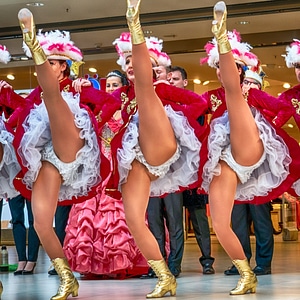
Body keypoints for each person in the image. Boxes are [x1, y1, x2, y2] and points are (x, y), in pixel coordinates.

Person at [196, 1, 300, 295]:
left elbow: (281, 109)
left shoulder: (247, 93)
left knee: (234, 95)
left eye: (225, 65)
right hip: (225, 159)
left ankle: (222, 36)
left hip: (252, 147)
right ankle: (246, 273)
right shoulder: (213, 98)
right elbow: (192, 110)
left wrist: (269, 124)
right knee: (220, 222)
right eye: (217, 65)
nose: (220, 70)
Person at [15, 8, 118, 299]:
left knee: (55, 97)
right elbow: (17, 118)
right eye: (44, 62)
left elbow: (110, 105)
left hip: (74, 145)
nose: (48, 68)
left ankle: (31, 40)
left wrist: (91, 120)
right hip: (49, 157)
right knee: (40, 222)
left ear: (63, 67)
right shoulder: (37, 94)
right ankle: (67, 278)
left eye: (51, 63)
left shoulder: (77, 87)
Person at [105, 0, 205, 297]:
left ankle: (134, 23)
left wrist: (178, 121)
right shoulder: (122, 97)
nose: (133, 70)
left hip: (163, 143)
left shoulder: (159, 88)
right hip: (138, 158)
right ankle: (164, 277)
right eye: (129, 68)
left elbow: (198, 104)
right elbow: (98, 113)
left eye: (139, 65)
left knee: (147, 93)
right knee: (135, 219)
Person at [63, 69, 148, 279]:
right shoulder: (98, 109)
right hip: (98, 166)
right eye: (108, 85)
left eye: (115, 84)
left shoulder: (129, 110)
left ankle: (122, 261)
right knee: (88, 215)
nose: (111, 88)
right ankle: (93, 264)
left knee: (119, 216)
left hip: (121, 166)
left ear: (123, 87)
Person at [224, 66, 274, 276]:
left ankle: (264, 262)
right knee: (237, 220)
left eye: (254, 83)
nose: (248, 87)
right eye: (246, 82)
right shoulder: (233, 107)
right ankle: (241, 261)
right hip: (235, 170)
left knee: (261, 219)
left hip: (258, 171)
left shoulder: (265, 110)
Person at [9, 193, 40, 275]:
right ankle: (21, 259)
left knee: (33, 220)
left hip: (31, 183)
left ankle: (32, 259)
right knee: (16, 219)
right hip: (13, 183)